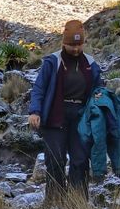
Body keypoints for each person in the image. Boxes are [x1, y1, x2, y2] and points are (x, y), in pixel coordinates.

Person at [28, 19, 103, 199]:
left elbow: (99, 88)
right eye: (71, 45)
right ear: (63, 42)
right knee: (56, 159)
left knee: (80, 159)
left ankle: (78, 204)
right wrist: (35, 111)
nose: (76, 49)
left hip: (80, 119)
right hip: (55, 116)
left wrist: (99, 97)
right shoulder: (52, 62)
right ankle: (55, 204)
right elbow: (39, 88)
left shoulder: (91, 64)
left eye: (79, 44)